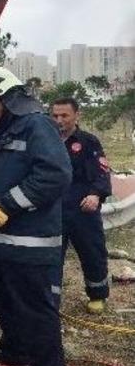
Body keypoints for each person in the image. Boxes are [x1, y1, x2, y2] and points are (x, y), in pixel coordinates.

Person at [0, 66, 71, 366]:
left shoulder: (36, 126)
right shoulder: (3, 130)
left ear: (5, 97)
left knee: (36, 314)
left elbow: (55, 174)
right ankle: (15, 355)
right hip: (1, 244)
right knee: (8, 306)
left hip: (29, 244)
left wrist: (8, 204)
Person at [51, 97, 112, 314]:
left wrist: (96, 195)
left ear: (77, 115)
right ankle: (51, 299)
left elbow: (102, 173)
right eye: (55, 115)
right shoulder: (45, 141)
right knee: (51, 257)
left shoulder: (88, 142)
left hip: (82, 210)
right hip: (53, 211)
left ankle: (97, 294)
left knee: (92, 252)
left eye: (64, 115)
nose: (59, 120)